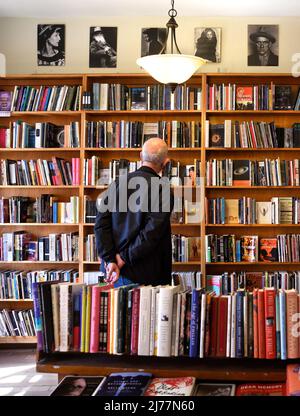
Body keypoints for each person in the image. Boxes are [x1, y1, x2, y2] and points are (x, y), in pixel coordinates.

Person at [94, 137, 174, 287]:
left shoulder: (117, 183)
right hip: (148, 274)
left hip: (114, 271)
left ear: (140, 156)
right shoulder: (163, 189)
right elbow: (151, 234)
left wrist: (110, 259)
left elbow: (100, 224)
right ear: (165, 163)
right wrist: (121, 259)